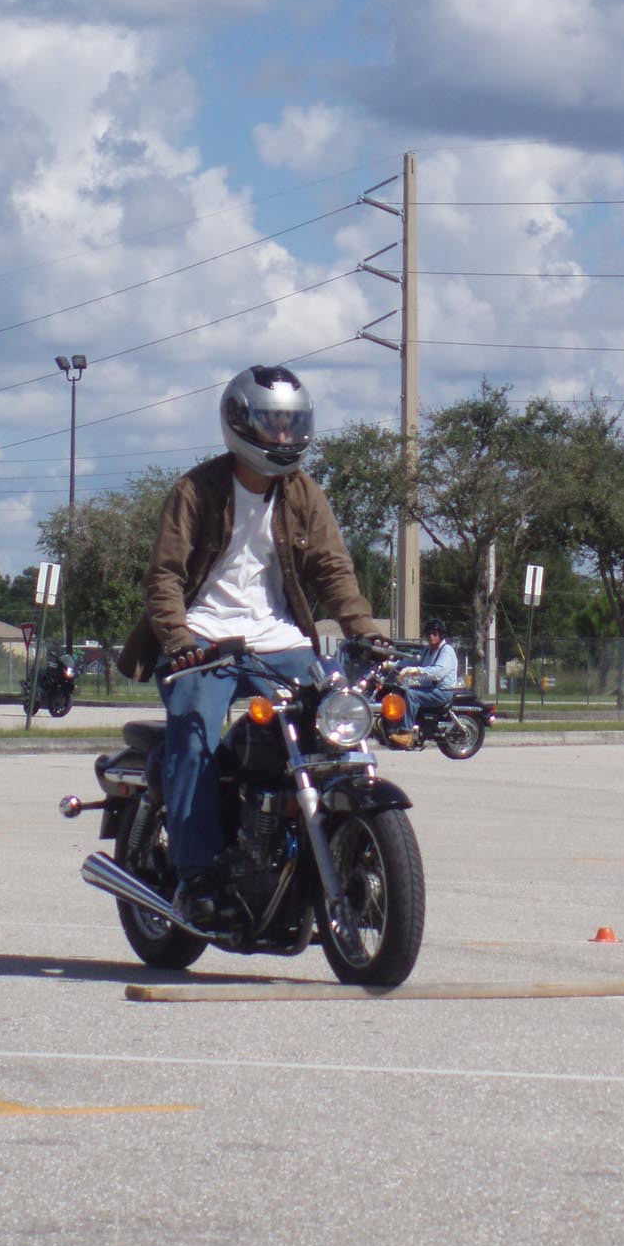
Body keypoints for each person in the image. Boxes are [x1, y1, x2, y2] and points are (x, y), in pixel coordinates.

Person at [117, 363, 381, 926]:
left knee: (334, 726)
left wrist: (365, 631)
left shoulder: (303, 492)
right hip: (204, 639)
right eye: (271, 422)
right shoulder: (196, 490)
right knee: (194, 738)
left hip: (279, 641)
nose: (283, 435)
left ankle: (325, 845)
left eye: (292, 423)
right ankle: (197, 874)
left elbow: (333, 569)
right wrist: (179, 640)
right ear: (239, 422)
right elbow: (164, 578)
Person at [390, 617, 459, 748]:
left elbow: (438, 672)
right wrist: (392, 665)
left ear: (441, 634)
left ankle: (407, 734)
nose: (431, 636)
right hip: (430, 689)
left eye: (434, 633)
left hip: (442, 691)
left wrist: (416, 670)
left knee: (412, 695)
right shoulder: (428, 650)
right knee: (401, 689)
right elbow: (412, 661)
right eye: (428, 634)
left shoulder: (446, 651)